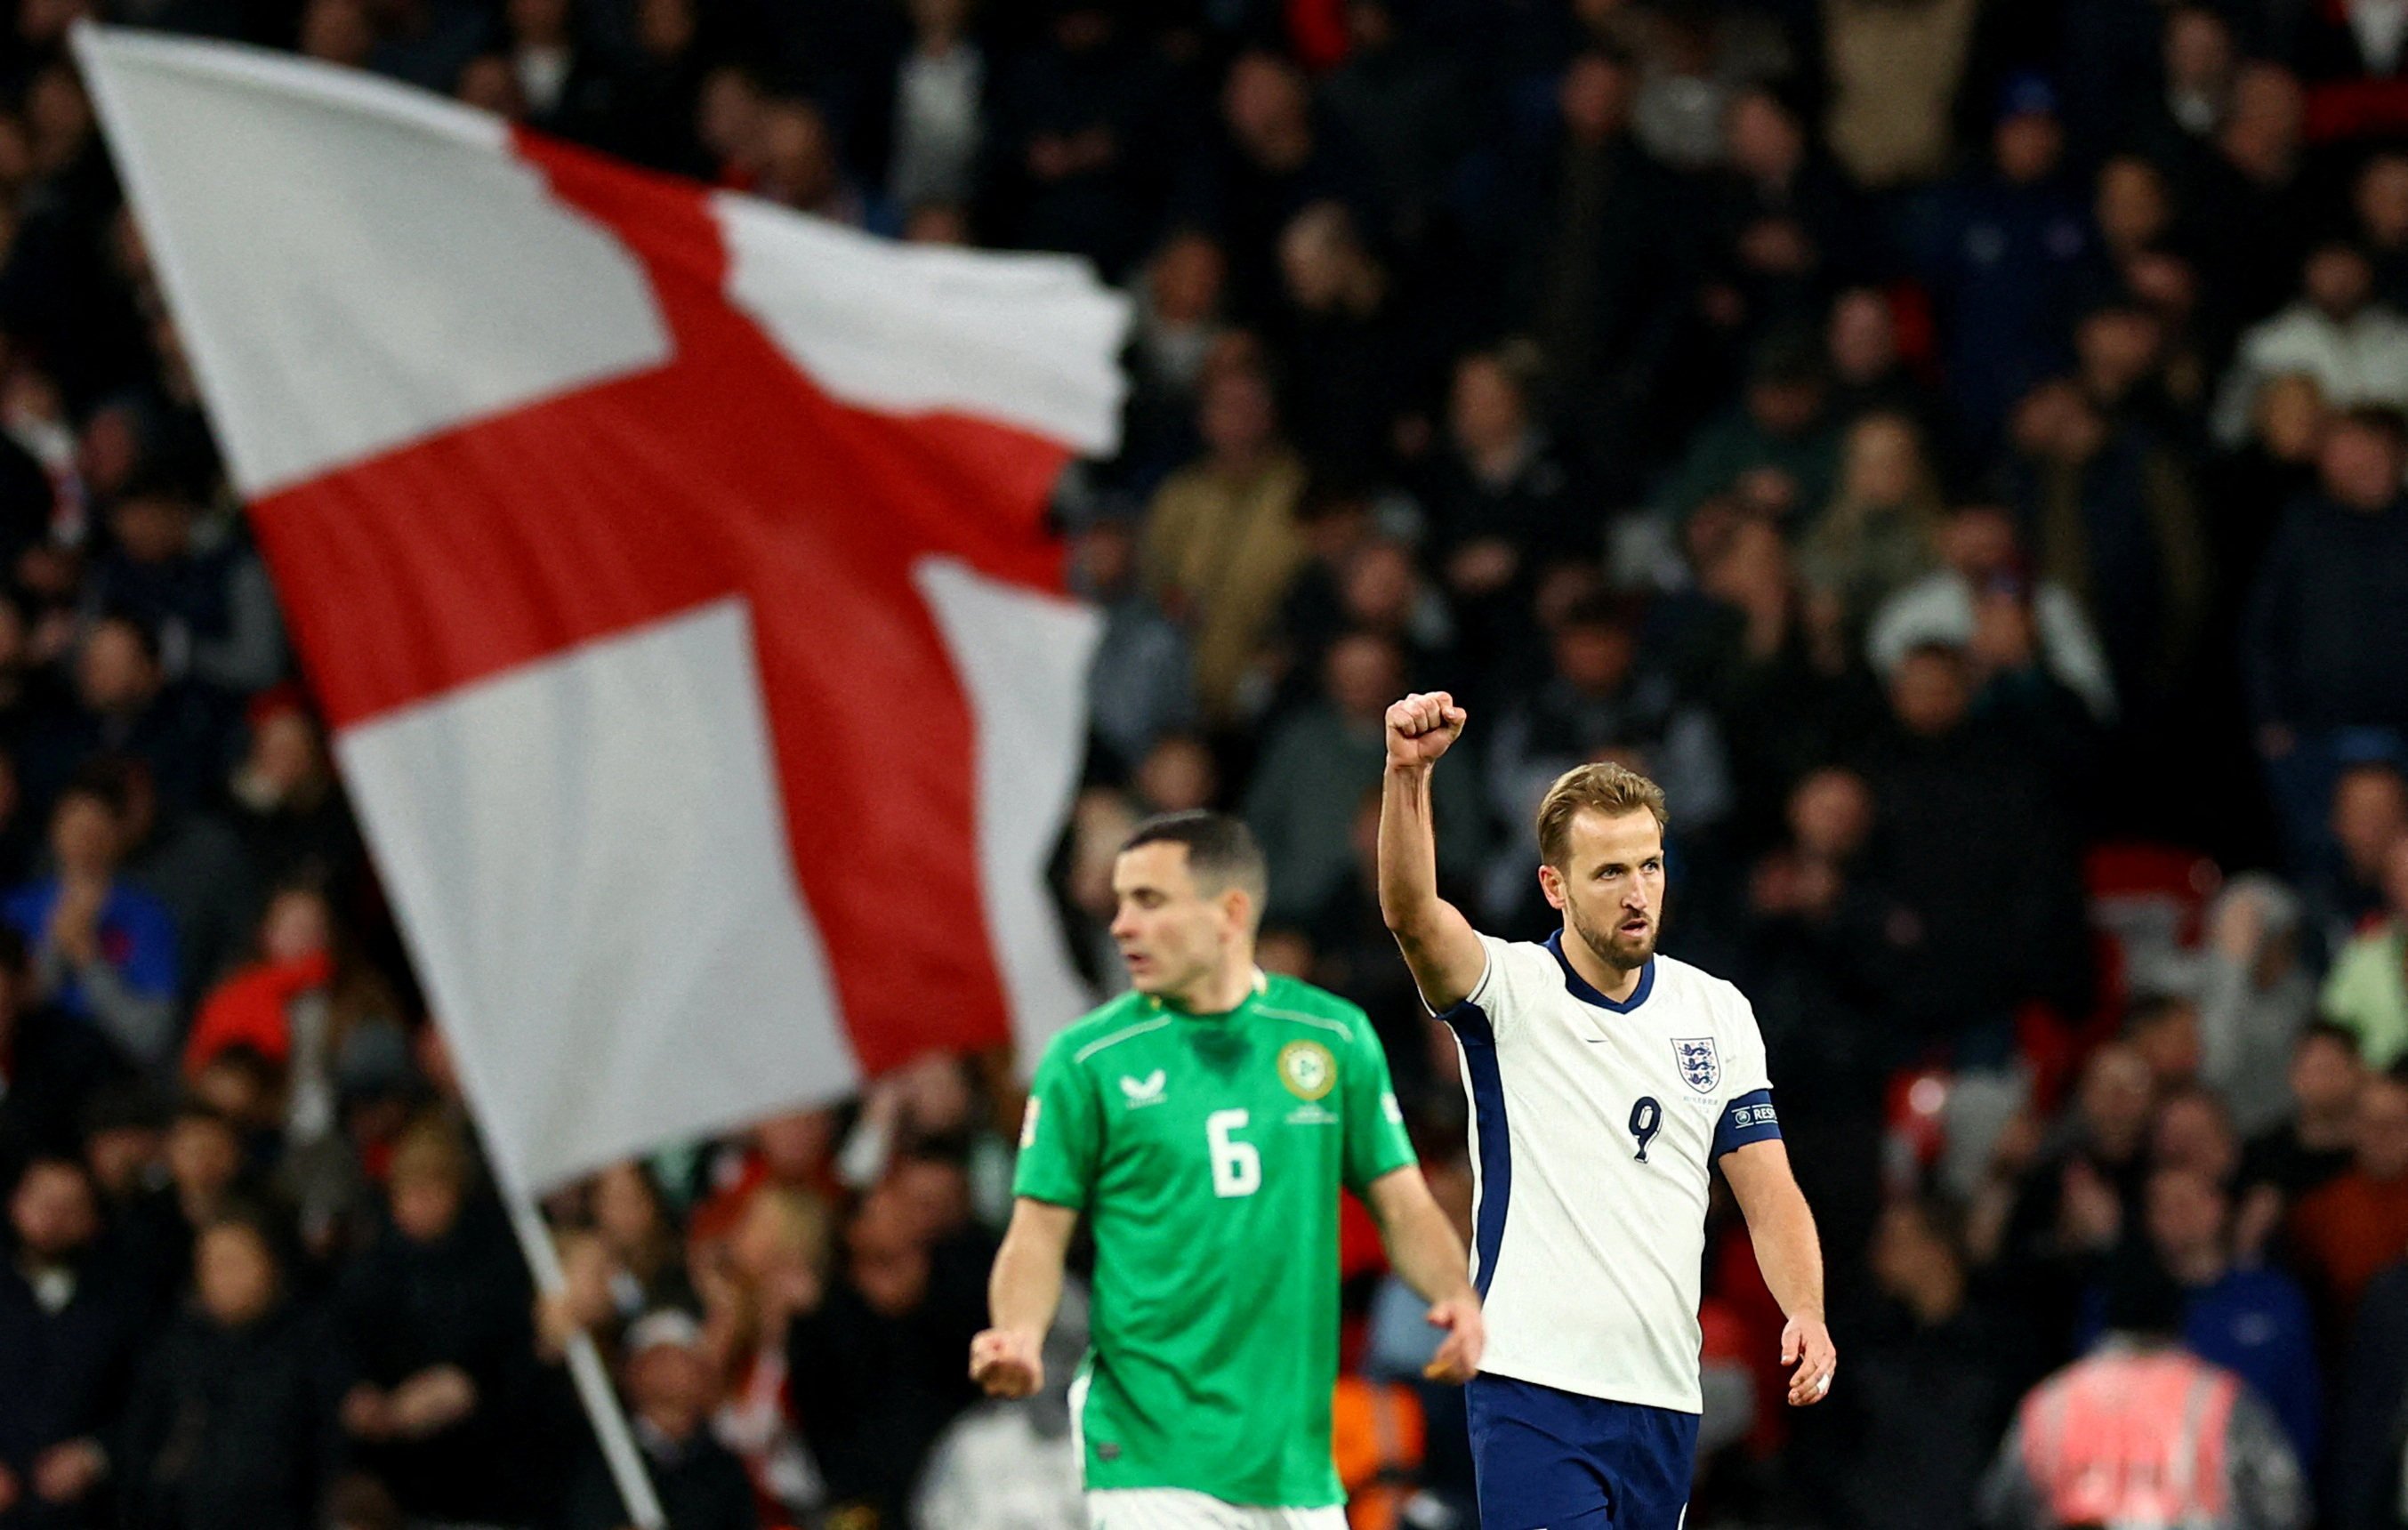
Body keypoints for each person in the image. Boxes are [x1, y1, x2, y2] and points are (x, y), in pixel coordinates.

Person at [1375, 696, 1833, 1530]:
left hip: (1662, 1396)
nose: (1637, 894)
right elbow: (1411, 916)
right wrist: (1408, 778)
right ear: (1552, 884)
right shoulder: (1507, 992)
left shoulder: (1717, 1010)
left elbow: (1768, 1194)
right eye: (1609, 872)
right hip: (1533, 1386)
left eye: (1649, 866)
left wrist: (1805, 1307)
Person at [971, 810, 1484, 1528]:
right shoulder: (1085, 1061)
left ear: (1229, 913)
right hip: (1149, 1441)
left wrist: (1455, 1295)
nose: (1122, 925)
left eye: (1149, 902)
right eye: (1120, 903)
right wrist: (1018, 1330)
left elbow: (1400, 1203)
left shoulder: (1331, 1039)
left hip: (1291, 1452)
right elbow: (1036, 1230)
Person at [1976, 1255, 2307, 1530]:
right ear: (2176, 1316)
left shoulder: (2050, 1402)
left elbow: (1999, 1508)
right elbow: (2286, 1506)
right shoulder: (2218, 1399)